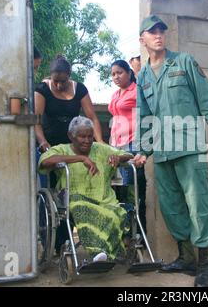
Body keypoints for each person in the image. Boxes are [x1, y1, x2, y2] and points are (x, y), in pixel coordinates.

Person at [133, 15, 208, 287]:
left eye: (161, 30)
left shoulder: (184, 62)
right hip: (162, 153)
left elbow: (206, 97)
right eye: (152, 32)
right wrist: (144, 150)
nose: (158, 35)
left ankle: (203, 265)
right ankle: (185, 258)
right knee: (172, 208)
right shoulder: (142, 78)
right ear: (143, 39)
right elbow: (144, 117)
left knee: (197, 205)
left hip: (190, 147)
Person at [35, 55, 104, 254]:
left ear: (69, 76)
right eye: (55, 80)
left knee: (71, 192)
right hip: (51, 148)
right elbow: (36, 122)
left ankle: (67, 240)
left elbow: (92, 117)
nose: (58, 84)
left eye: (62, 81)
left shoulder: (79, 89)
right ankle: (51, 243)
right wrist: (43, 143)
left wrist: (99, 143)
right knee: (50, 193)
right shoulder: (42, 89)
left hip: (74, 147)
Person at [39, 116, 133, 262]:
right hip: (74, 197)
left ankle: (105, 254)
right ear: (71, 136)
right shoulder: (62, 149)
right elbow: (45, 161)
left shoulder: (100, 149)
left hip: (103, 199)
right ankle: (98, 253)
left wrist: (118, 158)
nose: (87, 140)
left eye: (90, 136)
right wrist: (80, 158)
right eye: (82, 136)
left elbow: (128, 155)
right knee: (80, 207)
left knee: (117, 214)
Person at [108, 60, 147, 236]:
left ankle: (138, 233)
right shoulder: (116, 94)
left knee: (133, 189)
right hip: (116, 146)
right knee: (120, 190)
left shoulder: (137, 91)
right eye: (113, 74)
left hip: (132, 144)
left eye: (120, 73)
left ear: (129, 73)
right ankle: (125, 233)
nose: (116, 76)